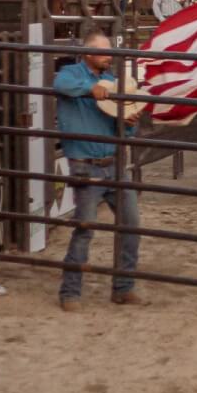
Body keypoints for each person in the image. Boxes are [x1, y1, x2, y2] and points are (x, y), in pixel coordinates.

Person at [52, 30, 145, 312]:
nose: (109, 57)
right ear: (89, 53)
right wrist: (90, 89)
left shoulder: (114, 82)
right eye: (105, 52)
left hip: (112, 162)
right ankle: (70, 291)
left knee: (130, 226)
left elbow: (124, 125)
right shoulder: (71, 74)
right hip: (87, 164)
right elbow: (62, 84)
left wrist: (128, 122)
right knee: (85, 228)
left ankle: (122, 287)